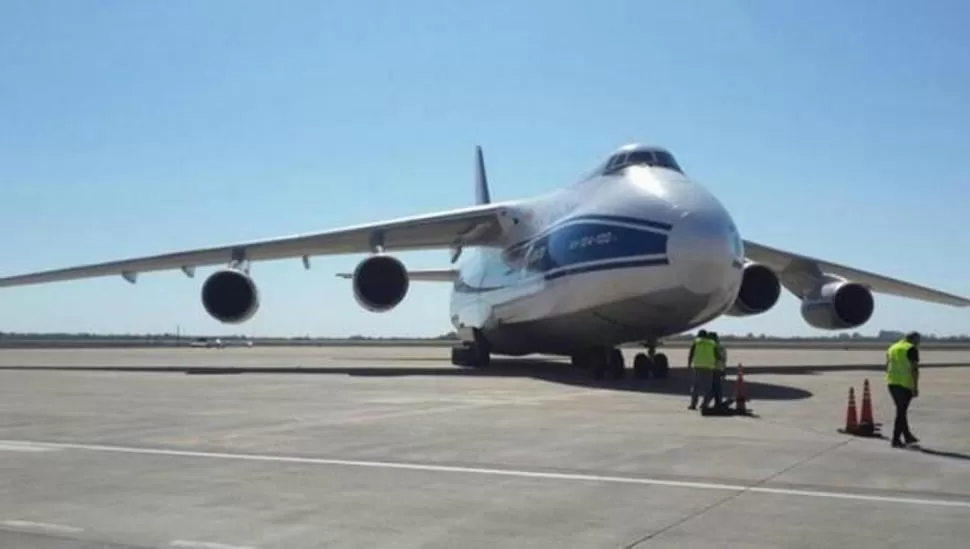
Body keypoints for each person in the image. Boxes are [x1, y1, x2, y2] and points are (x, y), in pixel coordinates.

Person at [885, 331, 921, 448]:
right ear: (914, 340)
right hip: (905, 384)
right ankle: (895, 440)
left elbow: (887, 365)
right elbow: (914, 369)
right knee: (901, 412)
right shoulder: (911, 349)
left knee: (901, 411)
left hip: (891, 383)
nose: (919, 343)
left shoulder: (892, 347)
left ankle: (907, 436)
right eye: (918, 341)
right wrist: (915, 387)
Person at [688, 330, 718, 410]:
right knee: (708, 388)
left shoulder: (696, 342)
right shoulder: (712, 343)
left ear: (698, 336)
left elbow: (691, 354)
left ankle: (693, 404)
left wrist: (689, 364)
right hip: (709, 367)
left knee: (695, 387)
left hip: (697, 367)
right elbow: (717, 355)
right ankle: (705, 404)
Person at [710, 332, 726, 407]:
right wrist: (724, 369)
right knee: (718, 387)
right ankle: (718, 402)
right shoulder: (721, 346)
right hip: (720, 368)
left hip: (712, 368)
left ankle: (707, 403)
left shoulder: (712, 346)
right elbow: (724, 359)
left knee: (711, 388)